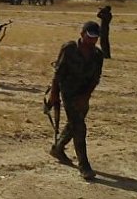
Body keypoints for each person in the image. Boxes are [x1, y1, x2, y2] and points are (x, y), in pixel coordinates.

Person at [48, 21, 105, 181]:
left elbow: (95, 78)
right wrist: (54, 94)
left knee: (74, 123)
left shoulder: (97, 55)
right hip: (68, 91)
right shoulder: (69, 49)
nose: (92, 40)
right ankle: (84, 165)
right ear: (82, 34)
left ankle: (58, 148)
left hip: (83, 94)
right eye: (89, 36)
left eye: (95, 37)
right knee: (79, 126)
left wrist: (86, 97)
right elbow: (58, 73)